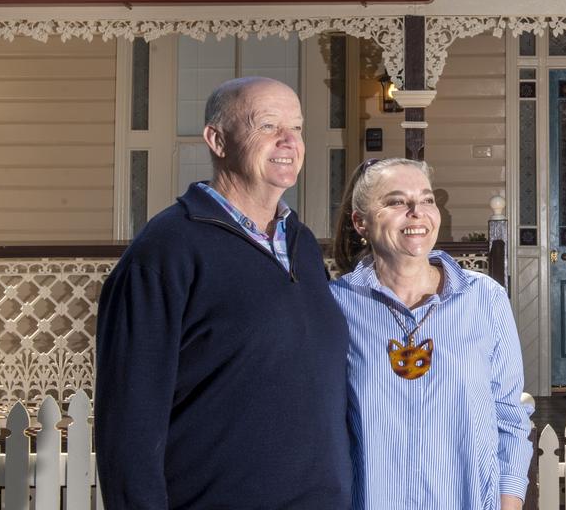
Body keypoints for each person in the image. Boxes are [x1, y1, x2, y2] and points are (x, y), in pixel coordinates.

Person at [95, 77, 353, 509]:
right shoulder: (165, 251)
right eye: (268, 125)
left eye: (297, 127)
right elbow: (128, 427)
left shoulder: (301, 244)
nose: (288, 140)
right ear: (217, 139)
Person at [330, 158, 533, 510]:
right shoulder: (335, 306)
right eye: (396, 202)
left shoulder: (485, 298)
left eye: (426, 200)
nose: (416, 212)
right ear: (360, 222)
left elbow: (510, 418)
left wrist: (509, 501)